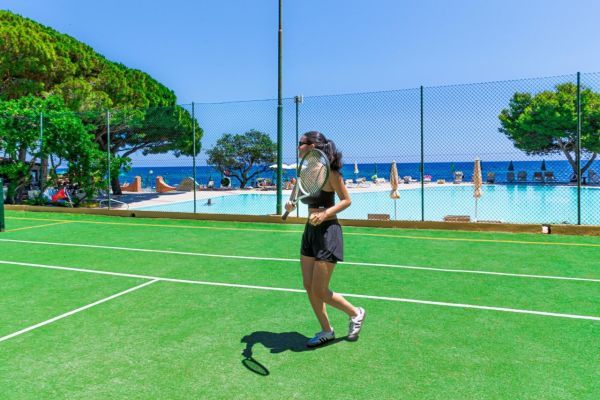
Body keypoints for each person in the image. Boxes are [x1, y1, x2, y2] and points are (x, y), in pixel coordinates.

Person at [285, 131, 366, 347]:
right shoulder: (304, 172)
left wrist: (325, 214)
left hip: (328, 232)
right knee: (308, 285)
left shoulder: (331, 173)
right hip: (310, 232)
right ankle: (326, 330)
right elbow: (294, 198)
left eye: (301, 143)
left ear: (312, 147)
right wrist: (289, 205)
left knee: (320, 289)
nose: (298, 147)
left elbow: (346, 200)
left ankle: (355, 313)